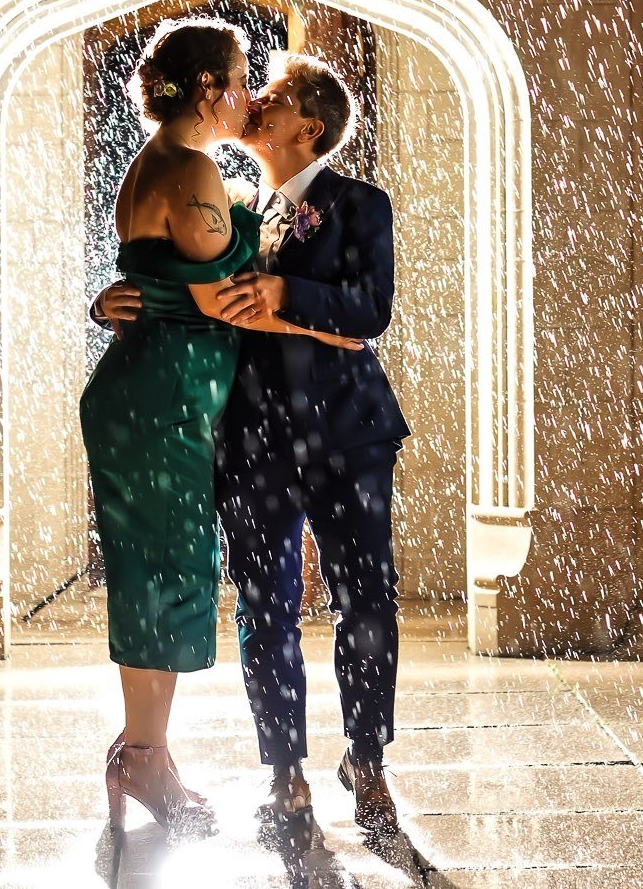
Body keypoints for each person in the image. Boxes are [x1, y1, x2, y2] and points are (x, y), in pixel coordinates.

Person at [94, 51, 410, 849]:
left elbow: (370, 309)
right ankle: (284, 773)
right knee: (264, 608)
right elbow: (184, 281)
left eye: (277, 93)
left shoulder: (359, 204)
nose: (258, 99)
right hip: (252, 439)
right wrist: (123, 298)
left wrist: (285, 294)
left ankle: (367, 759)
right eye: (252, 85)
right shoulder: (227, 202)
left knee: (366, 601)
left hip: (349, 432)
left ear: (311, 126)